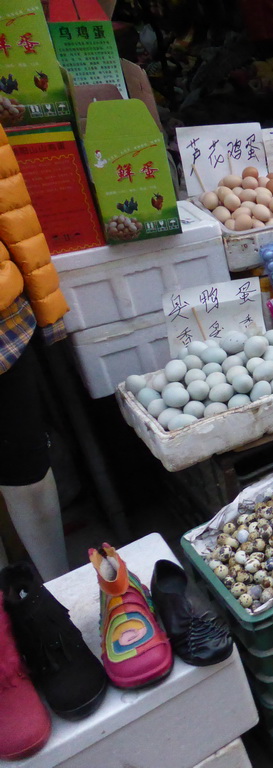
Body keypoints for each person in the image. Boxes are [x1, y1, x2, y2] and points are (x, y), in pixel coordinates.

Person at [0, 124, 71, 581]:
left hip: (2, 324)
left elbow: (11, 202)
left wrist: (49, 309)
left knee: (25, 464)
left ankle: (63, 591)